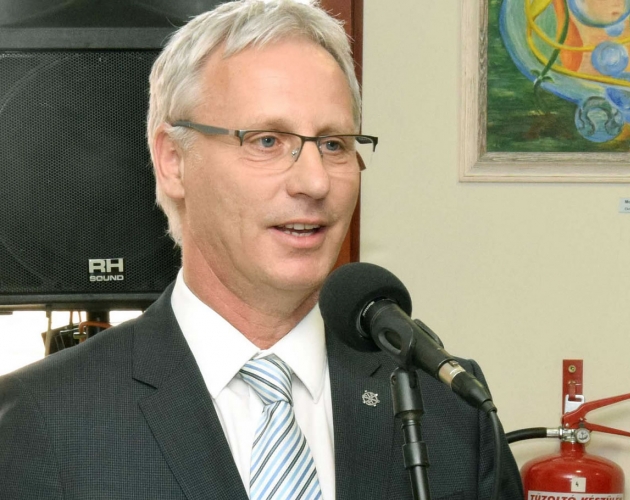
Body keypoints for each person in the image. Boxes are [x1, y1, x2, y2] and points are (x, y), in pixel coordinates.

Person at [0, 1, 523, 499]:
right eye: (267, 141)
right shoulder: (43, 421)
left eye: (334, 144)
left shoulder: (448, 405)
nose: (315, 181)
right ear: (173, 161)